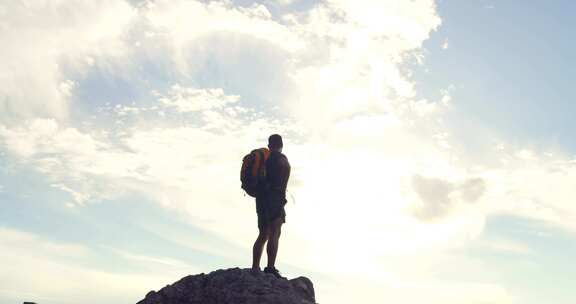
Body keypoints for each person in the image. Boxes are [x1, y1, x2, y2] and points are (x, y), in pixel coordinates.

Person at [251, 134, 291, 279]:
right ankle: (270, 267)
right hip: (275, 199)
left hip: (261, 199)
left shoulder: (266, 159)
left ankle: (255, 267)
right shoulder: (281, 159)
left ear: (269, 145)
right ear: (281, 144)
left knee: (263, 234)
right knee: (275, 232)